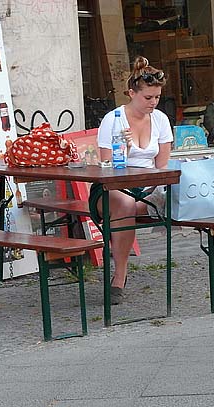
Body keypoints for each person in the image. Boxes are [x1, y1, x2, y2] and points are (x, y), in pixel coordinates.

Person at [89, 56, 173, 305]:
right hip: (112, 187)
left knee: (164, 196)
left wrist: (156, 187)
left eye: (157, 97)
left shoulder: (160, 119)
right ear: (131, 93)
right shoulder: (113, 120)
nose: (153, 103)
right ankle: (120, 275)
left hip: (146, 185)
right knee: (126, 205)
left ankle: (148, 204)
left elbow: (162, 166)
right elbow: (107, 170)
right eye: (148, 98)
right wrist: (123, 151)